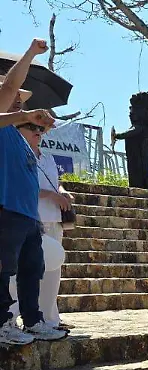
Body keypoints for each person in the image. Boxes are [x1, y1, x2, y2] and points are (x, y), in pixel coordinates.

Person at [0, 38, 67, 345]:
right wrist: (29, 53)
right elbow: (11, 84)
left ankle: (33, 321)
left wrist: (31, 123)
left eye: (21, 100)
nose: (18, 100)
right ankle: (2, 323)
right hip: (6, 211)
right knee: (3, 270)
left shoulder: (19, 137)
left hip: (28, 217)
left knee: (32, 270)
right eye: (13, 97)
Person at [32, 119, 72, 332]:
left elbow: (55, 181)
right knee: (29, 271)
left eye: (42, 129)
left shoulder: (47, 157)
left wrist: (61, 190)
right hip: (33, 217)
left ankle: (50, 318)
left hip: (54, 218)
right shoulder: (20, 155)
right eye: (34, 128)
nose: (39, 132)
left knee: (53, 270)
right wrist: (50, 195)